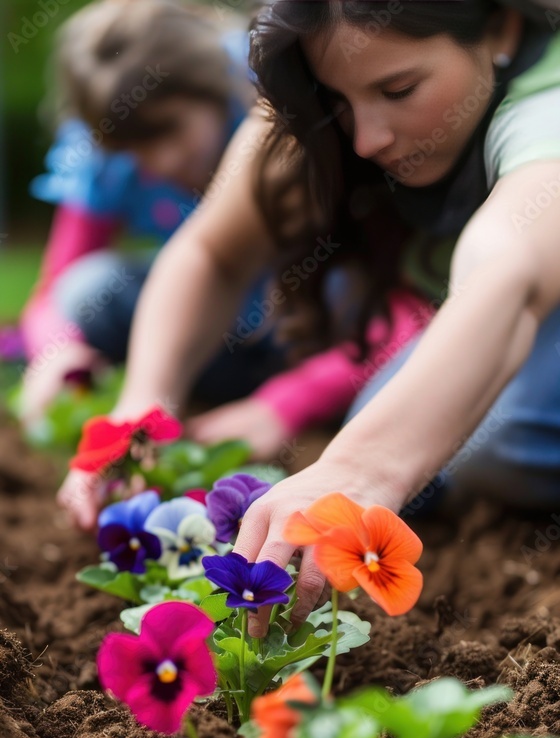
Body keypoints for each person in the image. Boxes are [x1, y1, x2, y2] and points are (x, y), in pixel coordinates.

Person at [60, 0, 560, 635]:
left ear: (500, 26)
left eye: (399, 89)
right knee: (399, 416)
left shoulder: (548, 109)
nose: (366, 138)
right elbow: (211, 251)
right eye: (340, 101)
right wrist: (140, 414)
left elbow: (508, 276)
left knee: (488, 434)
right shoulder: (326, 94)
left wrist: (360, 469)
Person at [19, 0, 257, 423]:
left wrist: (282, 407)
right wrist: (58, 351)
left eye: (169, 128)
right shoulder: (106, 155)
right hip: (205, 341)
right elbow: (53, 290)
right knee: (87, 289)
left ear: (212, 86)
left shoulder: (268, 110)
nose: (160, 162)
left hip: (293, 331)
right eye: (132, 147)